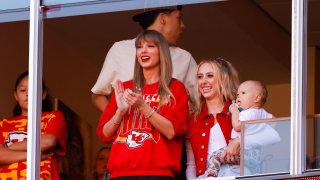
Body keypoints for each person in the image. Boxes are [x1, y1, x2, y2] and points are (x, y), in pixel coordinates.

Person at [96, 30, 189, 179]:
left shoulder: (175, 88)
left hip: (158, 173)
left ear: (162, 52)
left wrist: (143, 106)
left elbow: (172, 131)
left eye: (150, 46)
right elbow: (104, 134)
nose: (143, 50)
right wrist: (119, 113)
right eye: (139, 47)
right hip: (120, 173)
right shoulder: (124, 88)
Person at [91, 5, 197, 113]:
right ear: (163, 19)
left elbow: (201, 103)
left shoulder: (184, 58)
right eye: (178, 18)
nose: (183, 25)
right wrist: (118, 121)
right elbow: (98, 95)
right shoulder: (119, 49)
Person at [0, 71, 67, 179]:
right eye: (22, 90)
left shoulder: (53, 117)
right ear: (15, 95)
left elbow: (48, 141)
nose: (27, 94)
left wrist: (12, 147)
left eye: (32, 89)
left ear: (43, 94)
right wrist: (34, 156)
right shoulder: (3, 124)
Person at [185, 58, 240, 179]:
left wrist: (239, 140)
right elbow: (192, 166)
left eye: (210, 76)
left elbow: (267, 130)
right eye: (200, 77)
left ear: (223, 79)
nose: (203, 81)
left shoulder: (239, 111)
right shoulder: (193, 120)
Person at [228, 80, 280, 175]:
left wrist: (235, 112)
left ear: (256, 98)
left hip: (243, 151)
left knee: (217, 155)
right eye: (237, 94)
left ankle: (211, 173)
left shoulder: (247, 113)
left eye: (243, 93)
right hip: (254, 152)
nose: (238, 96)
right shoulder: (262, 112)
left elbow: (237, 126)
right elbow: (274, 121)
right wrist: (260, 129)